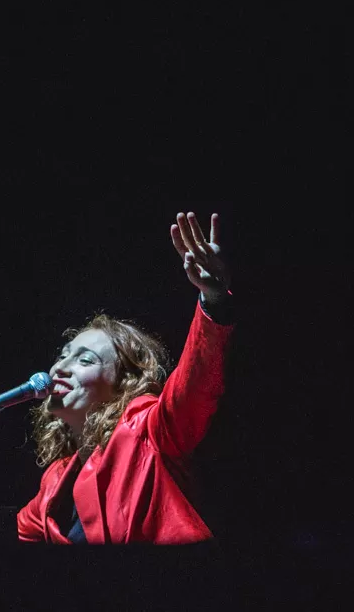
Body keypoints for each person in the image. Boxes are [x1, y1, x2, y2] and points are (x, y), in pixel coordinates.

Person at [17, 211, 235, 544]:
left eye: (85, 360)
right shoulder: (53, 484)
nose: (59, 368)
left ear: (123, 383)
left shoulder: (149, 432)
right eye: (62, 356)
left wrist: (214, 298)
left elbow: (197, 383)